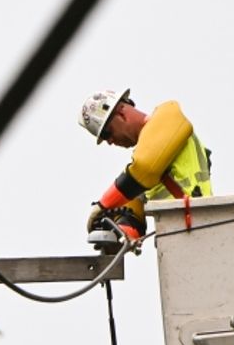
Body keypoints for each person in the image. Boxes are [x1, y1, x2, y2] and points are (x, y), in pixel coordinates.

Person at [79, 88, 212, 243]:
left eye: (107, 133)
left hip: (200, 226)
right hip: (178, 240)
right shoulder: (143, 170)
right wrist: (115, 233)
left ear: (121, 113)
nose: (109, 142)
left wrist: (103, 205)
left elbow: (145, 169)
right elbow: (134, 223)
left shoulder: (168, 116)